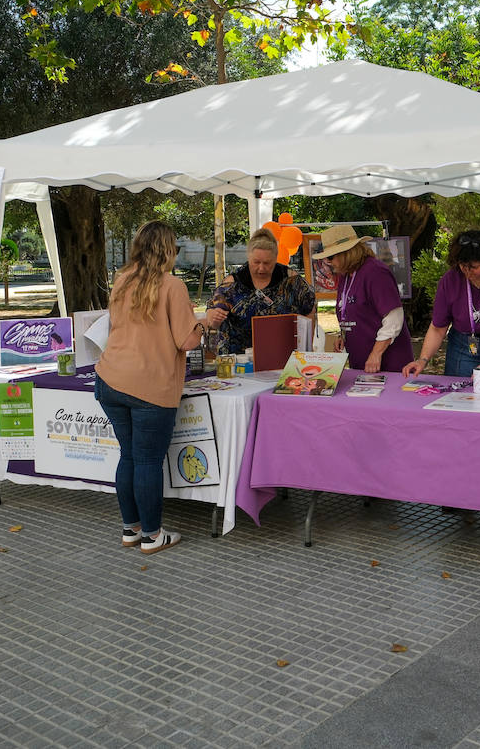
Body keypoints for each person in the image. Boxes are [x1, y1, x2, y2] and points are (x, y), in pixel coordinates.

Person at [94, 221, 217, 555]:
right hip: (149, 385)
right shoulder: (172, 285)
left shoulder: (122, 280)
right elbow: (187, 341)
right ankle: (152, 535)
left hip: (110, 379)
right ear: (167, 250)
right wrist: (203, 323)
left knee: (129, 456)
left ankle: (131, 529)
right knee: (147, 461)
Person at [402, 230, 480, 380]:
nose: (468, 272)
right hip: (464, 344)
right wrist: (423, 359)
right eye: (463, 265)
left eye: (474, 266)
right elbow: (438, 328)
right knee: (458, 391)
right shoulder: (450, 281)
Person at [313, 224, 413, 373]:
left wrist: (376, 353)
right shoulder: (346, 275)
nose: (329, 262)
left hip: (389, 363)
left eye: (330, 257)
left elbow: (394, 318)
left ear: (346, 253)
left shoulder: (375, 272)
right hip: (362, 363)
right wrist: (344, 335)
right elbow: (350, 310)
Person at [204, 227, 315, 355]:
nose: (261, 268)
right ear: (248, 257)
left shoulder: (292, 281)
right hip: (240, 358)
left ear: (275, 258)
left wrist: (307, 348)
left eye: (267, 263)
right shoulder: (232, 283)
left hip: (283, 355)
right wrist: (214, 318)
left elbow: (310, 309)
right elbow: (212, 319)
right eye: (256, 262)